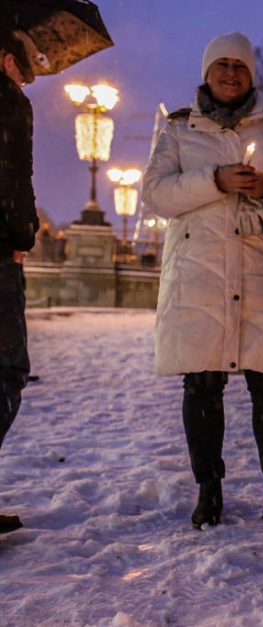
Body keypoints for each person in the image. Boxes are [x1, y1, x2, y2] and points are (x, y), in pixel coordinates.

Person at [143, 32, 263, 528]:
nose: (229, 73)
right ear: (206, 73)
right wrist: (213, 181)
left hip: (260, 274)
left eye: (239, 66)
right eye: (220, 65)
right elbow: (154, 195)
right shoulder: (179, 130)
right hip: (199, 276)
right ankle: (209, 488)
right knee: (202, 384)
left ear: (251, 75)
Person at [0, 29, 37, 535]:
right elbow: (13, 174)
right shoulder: (9, 103)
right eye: (24, 70)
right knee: (7, 370)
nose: (26, 81)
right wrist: (20, 232)